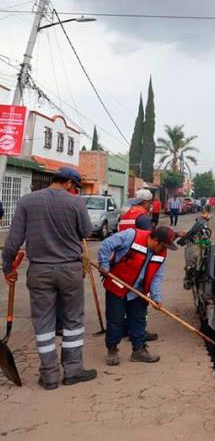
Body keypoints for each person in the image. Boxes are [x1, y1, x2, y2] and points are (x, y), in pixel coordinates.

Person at [2, 167, 96, 390]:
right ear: (69, 184)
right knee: (73, 320)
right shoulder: (76, 203)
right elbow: (85, 231)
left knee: (43, 322)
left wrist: (7, 268)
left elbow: (13, 242)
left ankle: (49, 375)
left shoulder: (26, 202)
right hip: (70, 271)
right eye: (74, 187)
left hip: (40, 270)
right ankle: (73, 370)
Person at [98, 226, 177, 365]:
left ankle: (138, 350)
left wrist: (156, 297)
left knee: (139, 320)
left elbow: (157, 276)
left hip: (138, 291)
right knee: (115, 320)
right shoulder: (131, 236)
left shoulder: (161, 253)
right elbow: (106, 244)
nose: (164, 249)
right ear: (155, 240)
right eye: (163, 246)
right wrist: (104, 264)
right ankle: (112, 349)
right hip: (117, 285)